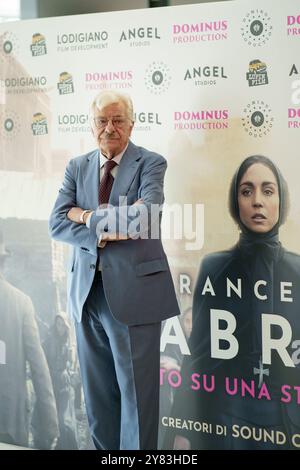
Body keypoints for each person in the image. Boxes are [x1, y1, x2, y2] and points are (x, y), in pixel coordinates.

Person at [49, 90, 180, 450]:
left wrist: (87, 216)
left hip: (134, 298)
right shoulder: (77, 166)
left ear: (132, 123)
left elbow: (147, 216)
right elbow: (57, 223)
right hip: (86, 296)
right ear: (92, 126)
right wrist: (106, 232)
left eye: (117, 119)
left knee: (138, 402)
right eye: (102, 120)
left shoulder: (151, 163)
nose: (110, 128)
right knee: (97, 403)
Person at [171, 155, 300, 450]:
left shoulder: (298, 271)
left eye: (268, 191)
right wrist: (183, 430)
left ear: (281, 200)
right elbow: (199, 354)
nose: (257, 201)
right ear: (235, 201)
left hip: (288, 424)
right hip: (226, 422)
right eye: (247, 191)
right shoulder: (215, 267)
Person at [0, 232, 59, 449]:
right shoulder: (20, 303)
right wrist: (50, 426)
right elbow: (39, 370)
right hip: (10, 423)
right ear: (3, 262)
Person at [41, 312, 79, 450]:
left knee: (65, 422)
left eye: (63, 325)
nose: (60, 327)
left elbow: (72, 365)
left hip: (64, 386)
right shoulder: (48, 341)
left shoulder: (69, 342)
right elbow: (42, 361)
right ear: (55, 325)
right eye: (58, 324)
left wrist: (70, 371)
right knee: (53, 420)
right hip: (51, 385)